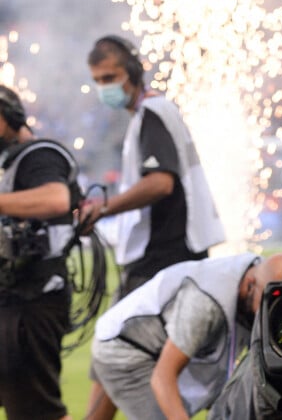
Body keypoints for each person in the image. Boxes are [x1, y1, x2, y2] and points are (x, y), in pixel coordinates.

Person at [83, 34, 226, 419]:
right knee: (123, 359)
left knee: (117, 352)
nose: (105, 87)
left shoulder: (153, 113)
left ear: (131, 72)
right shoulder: (147, 116)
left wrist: (104, 207)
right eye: (97, 80)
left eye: (109, 76)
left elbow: (161, 182)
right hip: (163, 260)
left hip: (161, 262)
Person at [91, 252, 282, 420]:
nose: (267, 314)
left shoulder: (256, 276)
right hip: (124, 349)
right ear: (249, 285)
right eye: (264, 305)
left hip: (155, 342)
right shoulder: (204, 303)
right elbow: (163, 377)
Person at [0, 85, 81, 420]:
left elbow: (56, 199)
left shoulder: (40, 155)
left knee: (35, 411)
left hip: (31, 304)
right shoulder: (9, 165)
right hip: (12, 300)